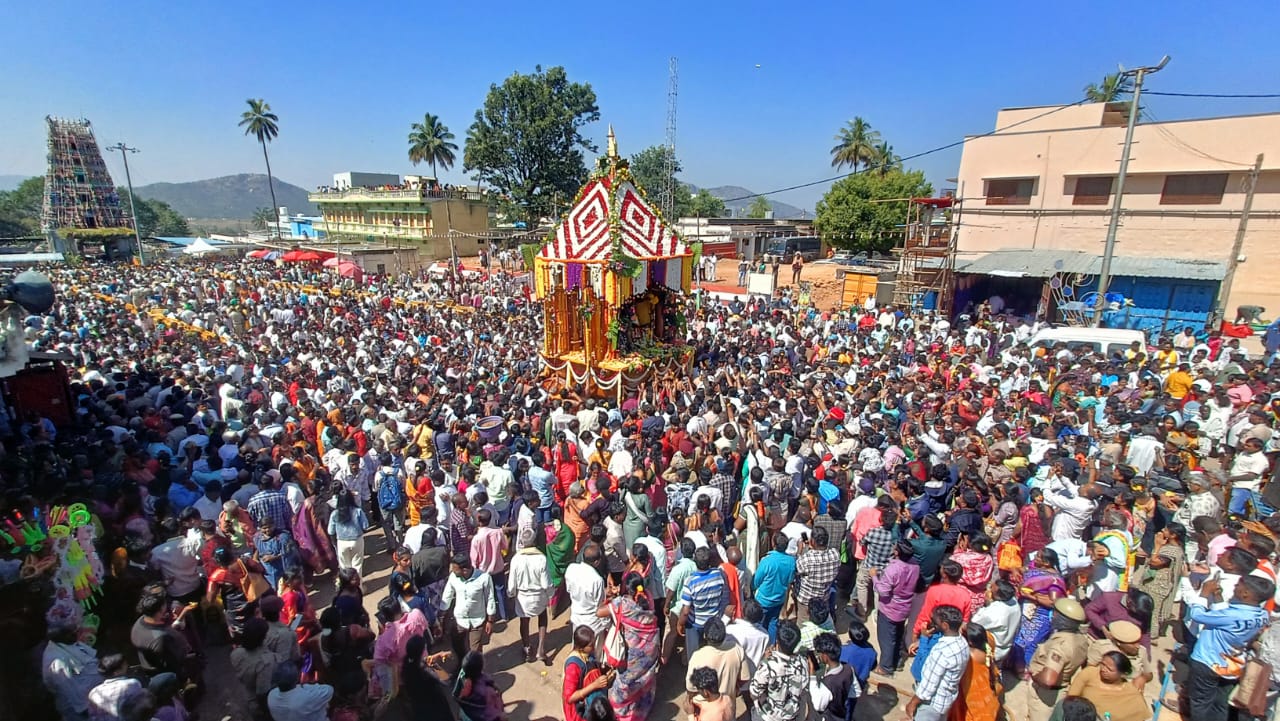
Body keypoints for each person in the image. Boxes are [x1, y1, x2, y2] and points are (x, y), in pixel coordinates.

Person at [1186, 573, 1273, 721]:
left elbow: (1197, 615)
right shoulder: (1262, 615)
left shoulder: (1233, 615)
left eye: (1238, 585)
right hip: (1232, 666)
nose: (1235, 586)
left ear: (1246, 593)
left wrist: (1204, 594)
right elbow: (1224, 616)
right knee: (1221, 705)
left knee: (1200, 703)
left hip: (1207, 663)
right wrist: (1217, 596)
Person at [603, 571, 661, 721]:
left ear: (625, 588)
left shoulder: (622, 604)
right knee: (645, 678)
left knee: (625, 685)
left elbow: (599, 612)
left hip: (633, 654)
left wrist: (612, 596)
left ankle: (625, 715)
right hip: (650, 648)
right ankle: (642, 707)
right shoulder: (648, 597)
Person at [1028, 598, 1091, 717]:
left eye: (1055, 613)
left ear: (1062, 619)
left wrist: (1035, 676)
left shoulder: (1060, 646)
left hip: (1045, 695)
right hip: (1062, 689)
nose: (1052, 616)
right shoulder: (1081, 639)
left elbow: (1048, 680)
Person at [905, 605, 969, 721]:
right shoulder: (963, 643)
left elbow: (929, 685)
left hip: (931, 704)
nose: (932, 623)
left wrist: (912, 703)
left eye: (934, 621)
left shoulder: (942, 651)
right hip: (946, 699)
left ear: (945, 625)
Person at [1011, 547, 1067, 675]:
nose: (1034, 558)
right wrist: (1015, 571)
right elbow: (1018, 568)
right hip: (1027, 610)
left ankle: (1024, 669)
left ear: (1046, 563)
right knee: (1019, 638)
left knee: (1029, 642)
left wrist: (1031, 596)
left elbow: (1053, 602)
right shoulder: (1036, 568)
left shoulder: (1054, 580)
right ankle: (1014, 664)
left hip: (1039, 616)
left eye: (1038, 557)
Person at [508, 526, 553, 664]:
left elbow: (511, 584)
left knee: (524, 621)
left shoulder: (516, 559)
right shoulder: (541, 558)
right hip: (539, 596)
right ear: (534, 542)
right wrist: (550, 594)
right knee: (542, 617)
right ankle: (540, 649)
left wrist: (511, 594)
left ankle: (527, 648)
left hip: (522, 597)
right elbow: (546, 583)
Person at [748, 620, 808, 721]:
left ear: (777, 642)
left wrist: (763, 661)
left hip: (767, 716)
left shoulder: (768, 665)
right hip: (791, 716)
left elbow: (754, 693)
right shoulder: (803, 663)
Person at [439, 553, 496, 659]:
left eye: (455, 569)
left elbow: (490, 598)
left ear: (465, 570)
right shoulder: (453, 577)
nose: (452, 571)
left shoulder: (484, 578)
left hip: (477, 621)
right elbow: (447, 596)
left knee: (475, 651)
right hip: (460, 620)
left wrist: (490, 621)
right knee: (457, 645)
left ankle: (476, 668)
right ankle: (462, 663)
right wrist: (442, 615)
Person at [1064, 652, 1150, 721]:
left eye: (1109, 669)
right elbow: (1071, 698)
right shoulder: (1089, 674)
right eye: (1103, 664)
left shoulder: (1132, 693)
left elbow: (1139, 716)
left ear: (1122, 674)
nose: (1103, 669)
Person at [945, 623, 1001, 721]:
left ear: (970, 643)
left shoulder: (969, 656)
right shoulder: (988, 640)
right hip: (989, 694)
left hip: (975, 700)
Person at [684, 618, 747, 704]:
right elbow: (744, 678)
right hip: (727, 704)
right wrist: (733, 691)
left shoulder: (697, 656)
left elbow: (690, 688)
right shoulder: (737, 649)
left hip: (704, 706)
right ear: (724, 635)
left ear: (704, 636)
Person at [563, 625, 613, 721]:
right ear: (581, 647)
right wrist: (595, 685)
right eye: (590, 645)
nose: (594, 647)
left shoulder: (588, 654)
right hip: (580, 713)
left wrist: (602, 670)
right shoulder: (573, 666)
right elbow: (570, 698)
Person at [266, 660, 333, 721]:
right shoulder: (306, 698)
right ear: (296, 679)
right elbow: (329, 690)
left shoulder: (271, 695)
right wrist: (308, 685)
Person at [452, 650, 506, 721]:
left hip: (466, 713)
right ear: (481, 666)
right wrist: (501, 716)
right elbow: (490, 713)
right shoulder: (486, 692)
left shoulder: (463, 675)